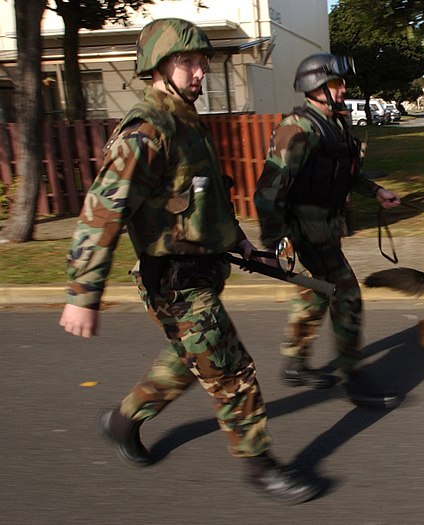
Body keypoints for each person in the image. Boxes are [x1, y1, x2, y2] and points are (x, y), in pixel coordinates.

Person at [58, 18, 319, 505]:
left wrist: (238, 240)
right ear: (159, 67)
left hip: (203, 270)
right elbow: (101, 214)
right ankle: (260, 465)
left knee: (183, 365)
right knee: (231, 370)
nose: (199, 72)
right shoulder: (147, 132)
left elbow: (205, 199)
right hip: (175, 283)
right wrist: (82, 294)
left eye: (202, 62)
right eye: (187, 62)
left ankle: (121, 422)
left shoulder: (188, 124)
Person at [254, 52, 402, 409]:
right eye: (336, 83)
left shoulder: (331, 124)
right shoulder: (298, 129)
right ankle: (354, 378)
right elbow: (267, 193)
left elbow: (344, 172)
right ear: (315, 87)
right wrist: (277, 247)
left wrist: (376, 191)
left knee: (314, 296)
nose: (343, 88)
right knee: (346, 296)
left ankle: (294, 363)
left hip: (323, 231)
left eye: (341, 83)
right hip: (303, 236)